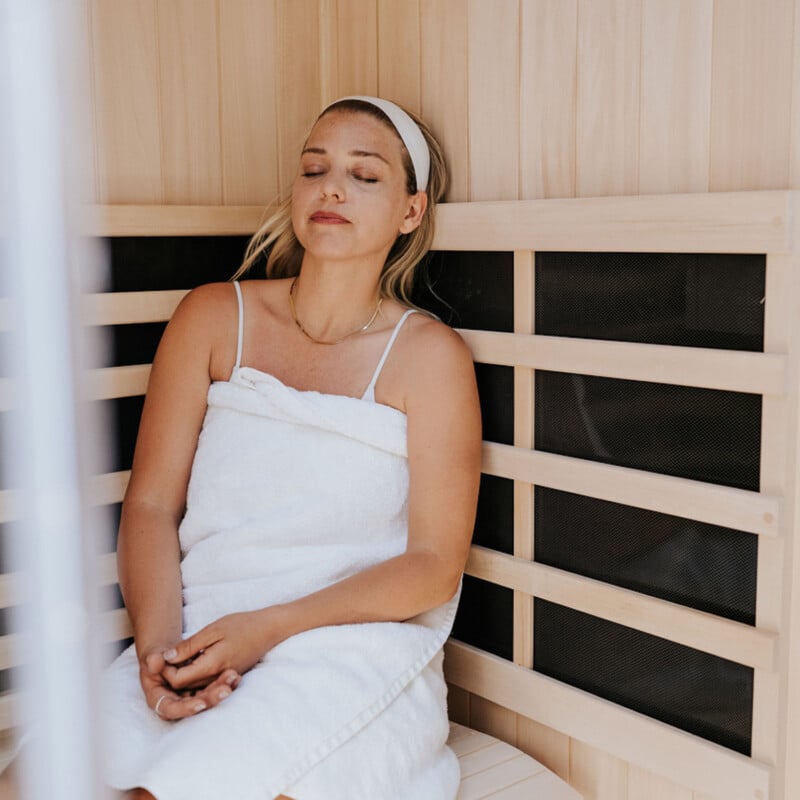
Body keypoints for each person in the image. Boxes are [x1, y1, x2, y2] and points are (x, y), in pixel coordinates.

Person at [102, 96, 482, 800]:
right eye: (315, 168)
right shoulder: (214, 316)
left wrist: (269, 629)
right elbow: (152, 503)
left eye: (364, 176)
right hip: (200, 624)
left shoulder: (428, 358)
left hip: (346, 643)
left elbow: (434, 566)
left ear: (411, 211)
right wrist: (158, 650)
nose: (331, 187)